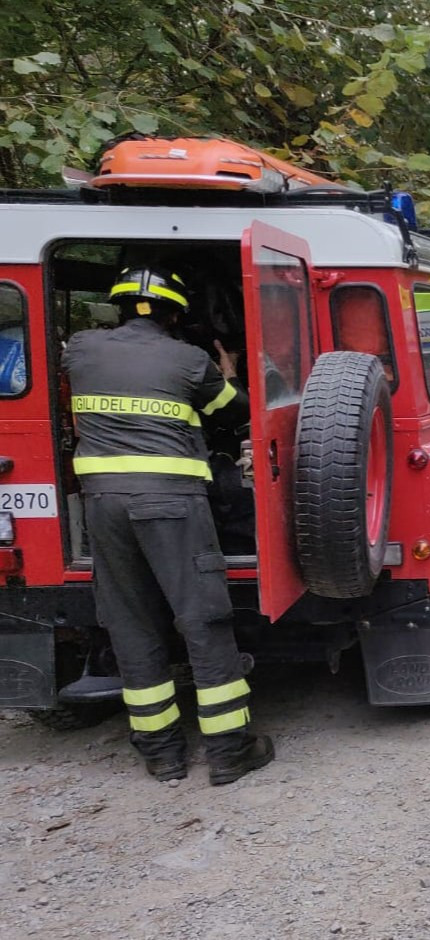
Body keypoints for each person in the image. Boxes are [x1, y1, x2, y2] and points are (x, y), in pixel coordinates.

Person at [62, 266, 274, 786]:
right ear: (177, 313)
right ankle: (229, 750)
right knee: (202, 618)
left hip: (103, 505)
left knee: (130, 622)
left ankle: (162, 754)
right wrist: (227, 372)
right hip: (172, 503)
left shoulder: (82, 349)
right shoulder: (188, 359)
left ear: (117, 306)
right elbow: (236, 414)